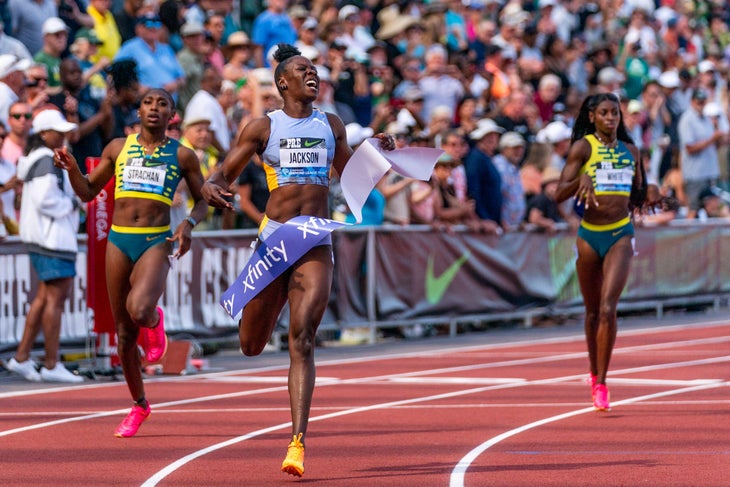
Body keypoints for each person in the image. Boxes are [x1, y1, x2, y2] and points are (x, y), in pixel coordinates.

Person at [201, 44, 394, 478]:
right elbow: (221, 174)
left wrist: (377, 150)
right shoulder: (262, 126)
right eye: (302, 70)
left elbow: (355, 177)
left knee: (302, 339)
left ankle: (297, 443)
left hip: (314, 242)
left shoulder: (332, 124)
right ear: (282, 82)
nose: (313, 75)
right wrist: (209, 188)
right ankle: (289, 421)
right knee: (251, 345)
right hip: (273, 242)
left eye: (315, 70)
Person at [53, 88, 208, 436]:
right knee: (124, 334)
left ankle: (154, 321)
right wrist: (73, 169)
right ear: (138, 111)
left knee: (139, 311)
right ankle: (139, 405)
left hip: (156, 240)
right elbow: (88, 192)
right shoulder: (118, 148)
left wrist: (189, 224)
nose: (154, 109)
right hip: (119, 239)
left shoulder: (183, 156)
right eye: (148, 103)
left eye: (162, 104)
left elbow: (202, 201)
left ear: (172, 115)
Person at [555, 92, 659, 412]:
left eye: (615, 113)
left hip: (620, 234)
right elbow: (559, 192)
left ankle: (601, 381)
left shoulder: (631, 150)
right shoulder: (583, 147)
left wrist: (651, 192)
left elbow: (637, 195)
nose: (611, 118)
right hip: (589, 235)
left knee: (607, 308)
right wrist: (581, 179)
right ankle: (591, 369)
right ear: (592, 117)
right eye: (604, 113)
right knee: (590, 313)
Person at [6, 109, 83, 383]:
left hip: (43, 236)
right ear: (43, 134)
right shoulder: (46, 160)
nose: (63, 135)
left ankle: (22, 357)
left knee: (43, 298)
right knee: (55, 299)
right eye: (57, 131)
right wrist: (74, 203)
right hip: (51, 237)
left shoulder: (37, 159)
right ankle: (51, 363)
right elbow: (45, 200)